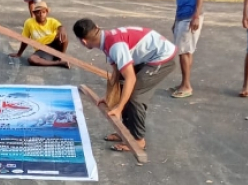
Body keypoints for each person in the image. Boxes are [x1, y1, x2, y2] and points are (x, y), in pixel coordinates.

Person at [73, 19, 176, 152]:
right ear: (97, 27)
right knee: (123, 85)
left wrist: (119, 108)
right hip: (147, 54)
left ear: (83, 41)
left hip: (162, 57)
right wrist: (108, 97)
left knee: (135, 95)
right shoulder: (105, 40)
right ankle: (127, 132)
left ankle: (138, 140)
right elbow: (116, 74)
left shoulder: (115, 46)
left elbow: (131, 78)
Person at [168, 0, 206, 99]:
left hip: (190, 15)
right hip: (182, 16)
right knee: (186, 50)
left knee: (184, 51)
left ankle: (186, 86)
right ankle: (184, 83)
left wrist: (196, 15)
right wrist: (175, 20)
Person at [8, 1, 69, 67]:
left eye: (43, 12)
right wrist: (19, 54)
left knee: (63, 36)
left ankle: (61, 57)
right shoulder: (29, 23)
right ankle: (58, 63)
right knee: (32, 59)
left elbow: (60, 27)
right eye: (38, 12)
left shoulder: (52, 21)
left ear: (47, 13)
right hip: (42, 50)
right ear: (34, 13)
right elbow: (25, 40)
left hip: (54, 45)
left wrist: (62, 29)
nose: (41, 14)